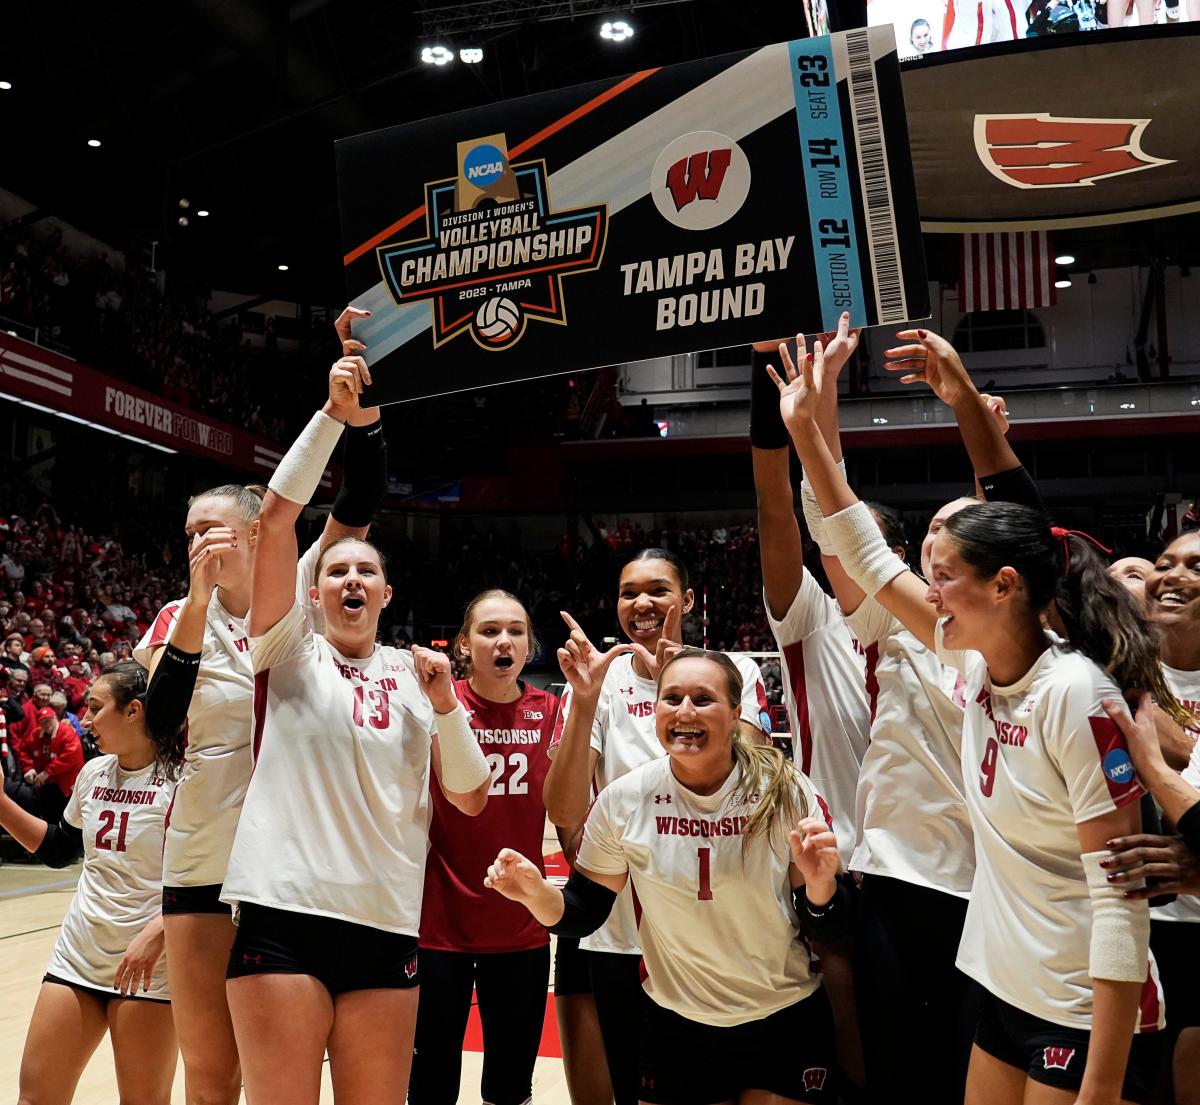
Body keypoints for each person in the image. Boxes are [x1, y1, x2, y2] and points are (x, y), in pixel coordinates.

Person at [772, 333, 1170, 1104]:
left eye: (943, 575)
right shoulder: (975, 660)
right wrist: (806, 436)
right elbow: (860, 550)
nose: (927, 590)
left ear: (1004, 585)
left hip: (1079, 997)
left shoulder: (1077, 696)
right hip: (1002, 980)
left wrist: (1101, 1085)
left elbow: (1120, 903)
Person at [219, 350, 493, 1105]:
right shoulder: (284, 649)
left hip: (385, 923)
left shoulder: (418, 675)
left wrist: (446, 708)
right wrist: (333, 418)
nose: (350, 580)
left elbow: (469, 799)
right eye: (336, 572)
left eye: (365, 571)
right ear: (313, 590)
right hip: (284, 915)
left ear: (386, 590)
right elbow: (275, 518)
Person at [132, 308, 388, 1105]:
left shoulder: (302, 583)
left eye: (209, 529)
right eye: (186, 534)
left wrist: (357, 400)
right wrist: (200, 603)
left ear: (252, 533)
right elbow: (155, 721)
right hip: (205, 864)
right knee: (213, 1078)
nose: (195, 543)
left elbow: (365, 489)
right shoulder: (175, 619)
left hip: (295, 868)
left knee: (286, 1076)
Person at [489, 648, 847, 1105]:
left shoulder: (783, 790)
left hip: (782, 1019)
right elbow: (583, 912)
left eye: (703, 698)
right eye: (671, 698)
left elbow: (829, 925)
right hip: (676, 1028)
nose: (684, 712)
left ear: (736, 714)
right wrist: (535, 894)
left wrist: (821, 887)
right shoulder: (626, 799)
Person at [543, 549, 770, 1105]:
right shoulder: (597, 681)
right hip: (618, 927)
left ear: (688, 600)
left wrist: (687, 682)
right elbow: (564, 809)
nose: (642, 603)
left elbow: (764, 779)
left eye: (659, 590)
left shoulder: (734, 670)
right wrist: (584, 700)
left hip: (713, 934)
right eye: (628, 592)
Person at [0, 661, 184, 1105]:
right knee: (36, 1097)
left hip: (147, 969)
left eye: (96, 707)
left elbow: (216, 877)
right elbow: (60, 849)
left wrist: (160, 931)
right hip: (77, 957)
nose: (86, 719)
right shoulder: (93, 772)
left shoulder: (184, 780)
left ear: (134, 711)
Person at [409, 589, 559, 1105]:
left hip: (521, 929)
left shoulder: (553, 711)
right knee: (429, 1088)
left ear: (530, 645)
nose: (504, 640)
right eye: (489, 630)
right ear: (463, 645)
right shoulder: (435, 710)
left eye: (515, 630)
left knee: (511, 1088)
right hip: (437, 927)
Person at [1106, 531, 1200, 1105]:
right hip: (1140, 927)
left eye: (1195, 565)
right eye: (1163, 563)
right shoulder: (1115, 677)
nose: (1170, 574)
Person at [5, 701, 84, 821]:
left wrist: (47, 772)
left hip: (65, 784)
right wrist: (29, 768)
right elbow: (23, 750)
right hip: (45, 784)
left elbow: (70, 757)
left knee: (66, 817)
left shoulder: (67, 732)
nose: (46, 724)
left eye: (48, 720)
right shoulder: (36, 734)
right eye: (43, 721)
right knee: (47, 815)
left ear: (55, 718)